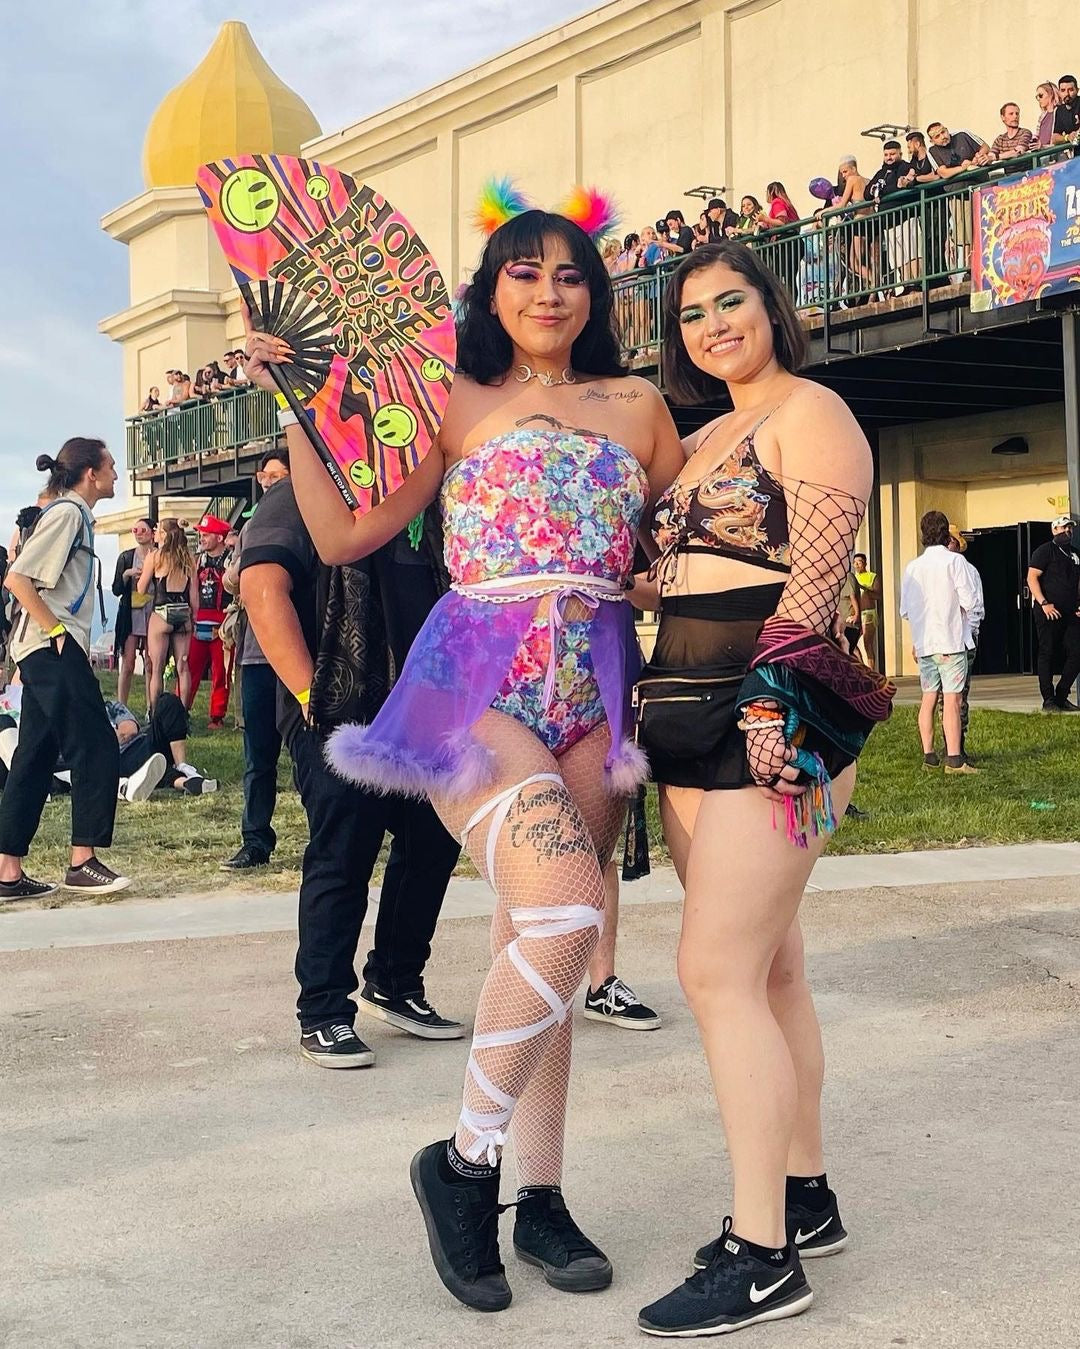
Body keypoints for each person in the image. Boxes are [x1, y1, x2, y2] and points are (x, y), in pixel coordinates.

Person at [244, 204, 685, 1311]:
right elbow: (345, 533)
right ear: (491, 291)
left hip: (596, 680)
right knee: (567, 914)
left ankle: (539, 1195)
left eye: (572, 274)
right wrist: (300, 410)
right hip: (477, 676)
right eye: (525, 273)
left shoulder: (639, 406)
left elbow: (675, 547)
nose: (550, 292)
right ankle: (464, 1161)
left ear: (598, 293)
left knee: (536, 946)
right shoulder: (451, 399)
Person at [632, 241, 892, 1337]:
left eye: (731, 302)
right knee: (772, 965)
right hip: (680, 713)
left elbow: (815, 585)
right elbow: (669, 569)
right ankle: (806, 1191)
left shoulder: (812, 413)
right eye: (692, 313)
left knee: (715, 969)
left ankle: (763, 1253)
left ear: (774, 309)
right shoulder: (698, 440)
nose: (712, 324)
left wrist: (771, 714)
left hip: (761, 714)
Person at [238, 471, 464, 1062]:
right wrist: (311, 694)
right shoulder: (309, 488)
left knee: (434, 841)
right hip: (339, 708)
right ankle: (324, 1008)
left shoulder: (433, 493)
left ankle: (394, 981)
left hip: (422, 707)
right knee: (346, 847)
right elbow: (262, 586)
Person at [0, 439, 130, 899]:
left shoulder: (73, 514)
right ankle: (83, 861)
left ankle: (7, 871)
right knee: (96, 743)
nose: (118, 473)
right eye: (111, 466)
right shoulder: (68, 513)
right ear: (91, 473)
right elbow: (16, 579)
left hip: (39, 648)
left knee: (33, 757)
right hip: (51, 647)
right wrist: (56, 633)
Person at [220, 449, 291, 871]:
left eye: (278, 475)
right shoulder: (250, 525)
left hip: (294, 649)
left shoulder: (304, 517)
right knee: (258, 755)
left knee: (307, 752)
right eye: (265, 476)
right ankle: (255, 839)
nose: (269, 483)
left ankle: (326, 832)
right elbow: (232, 578)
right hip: (254, 654)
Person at [900, 510, 981, 773]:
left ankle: (929, 756)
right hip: (951, 640)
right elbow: (970, 602)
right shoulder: (955, 563)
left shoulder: (912, 567)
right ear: (946, 532)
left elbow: (905, 610)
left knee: (928, 698)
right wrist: (972, 624)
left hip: (925, 643)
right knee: (953, 701)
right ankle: (955, 760)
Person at [139, 518, 197, 711]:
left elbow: (141, 589)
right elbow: (194, 595)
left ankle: (155, 714)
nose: (154, 532)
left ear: (164, 534)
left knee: (157, 668)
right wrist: (193, 619)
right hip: (183, 613)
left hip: (161, 613)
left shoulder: (155, 556)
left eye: (157, 529)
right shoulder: (189, 558)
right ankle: (182, 714)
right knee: (183, 667)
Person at [1026, 515, 1080, 712]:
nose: (1067, 531)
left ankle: (1061, 695)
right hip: (1048, 610)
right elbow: (1032, 578)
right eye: (1064, 528)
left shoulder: (1075, 554)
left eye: (1070, 528)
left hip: (1070, 612)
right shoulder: (1044, 551)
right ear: (1054, 530)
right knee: (1047, 652)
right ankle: (1048, 699)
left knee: (1076, 651)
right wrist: (1044, 603)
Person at [187, 513, 232, 727]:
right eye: (201, 534)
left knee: (220, 671)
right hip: (199, 621)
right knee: (190, 668)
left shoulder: (230, 560)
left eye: (206, 534)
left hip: (222, 622)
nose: (202, 538)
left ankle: (217, 715)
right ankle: (181, 708)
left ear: (219, 538)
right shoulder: (198, 560)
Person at [944, 525, 983, 764]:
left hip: (963, 637)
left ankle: (959, 745)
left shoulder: (967, 570)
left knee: (959, 695)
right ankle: (946, 744)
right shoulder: (931, 569)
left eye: (951, 540)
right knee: (940, 697)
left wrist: (972, 631)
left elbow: (975, 604)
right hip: (940, 639)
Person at [112, 517, 154, 706]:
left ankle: (151, 706)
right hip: (131, 613)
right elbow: (116, 589)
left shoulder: (159, 555)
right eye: (135, 530)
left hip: (152, 611)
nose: (138, 534)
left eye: (143, 530)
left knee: (151, 664)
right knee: (128, 663)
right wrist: (126, 575)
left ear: (153, 532)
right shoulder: (126, 557)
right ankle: (122, 705)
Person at [867, 141, 918, 292]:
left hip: (905, 216)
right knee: (897, 258)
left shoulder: (904, 167)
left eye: (892, 154)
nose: (889, 158)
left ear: (900, 154)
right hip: (888, 222)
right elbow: (866, 192)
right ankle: (905, 284)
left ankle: (914, 282)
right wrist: (877, 190)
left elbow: (899, 185)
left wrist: (881, 191)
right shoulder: (881, 172)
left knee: (912, 252)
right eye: (886, 155)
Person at [851, 553, 881, 669]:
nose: (857, 565)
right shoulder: (853, 577)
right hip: (855, 614)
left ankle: (871, 671)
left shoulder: (872, 576)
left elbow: (878, 595)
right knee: (851, 642)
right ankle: (862, 668)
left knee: (867, 643)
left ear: (865, 563)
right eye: (855, 562)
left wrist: (865, 589)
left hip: (868, 613)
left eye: (859, 562)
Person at [1052, 74, 1080, 143]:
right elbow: (1054, 138)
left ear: (1077, 90)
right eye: (1063, 90)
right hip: (1074, 151)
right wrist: (1067, 137)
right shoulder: (1060, 110)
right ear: (1059, 92)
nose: (1066, 94)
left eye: (1070, 90)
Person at [1034, 81, 1061, 148]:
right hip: (1043, 153)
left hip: (1056, 152)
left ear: (1051, 94)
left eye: (1041, 95)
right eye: (1037, 97)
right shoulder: (1042, 116)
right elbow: (1037, 135)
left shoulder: (1060, 112)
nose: (1039, 99)